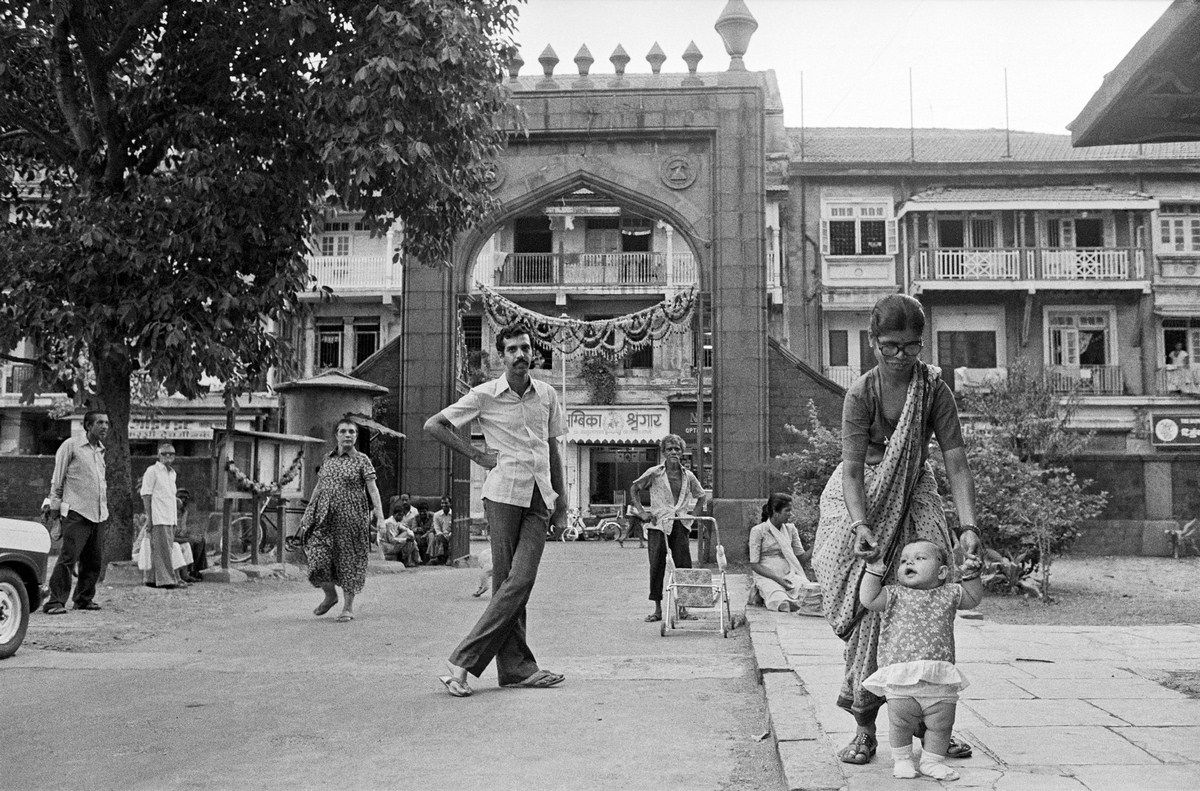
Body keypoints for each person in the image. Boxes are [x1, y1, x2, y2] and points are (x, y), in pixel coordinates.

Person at [812, 293, 983, 766]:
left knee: (930, 595)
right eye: (890, 345)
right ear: (873, 342)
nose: (901, 355)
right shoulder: (860, 394)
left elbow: (956, 462)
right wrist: (861, 526)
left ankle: (933, 726)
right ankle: (865, 728)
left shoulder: (933, 390)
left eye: (911, 346)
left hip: (914, 489)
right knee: (870, 613)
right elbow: (851, 472)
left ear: (921, 344)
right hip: (862, 497)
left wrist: (968, 526)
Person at [425, 322, 567, 697]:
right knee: (510, 584)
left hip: (540, 497)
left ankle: (477, 663)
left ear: (533, 352)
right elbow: (434, 425)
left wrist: (562, 503)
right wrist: (477, 455)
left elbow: (553, 449)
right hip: (503, 495)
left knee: (519, 581)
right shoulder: (484, 394)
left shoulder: (547, 394)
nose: (520, 355)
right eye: (512, 349)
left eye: (525, 348)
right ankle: (508, 668)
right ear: (501, 356)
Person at [859, 540, 984, 781]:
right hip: (902, 680)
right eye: (904, 560)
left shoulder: (949, 593)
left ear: (942, 572)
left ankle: (931, 762)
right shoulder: (893, 594)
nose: (910, 562)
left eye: (919, 558)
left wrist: (971, 573)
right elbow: (868, 598)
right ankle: (902, 760)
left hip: (940, 681)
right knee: (900, 724)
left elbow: (972, 598)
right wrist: (874, 567)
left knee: (942, 725)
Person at [299, 419, 386, 622]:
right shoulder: (328, 459)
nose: (347, 435)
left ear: (356, 436)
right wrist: (308, 511)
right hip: (324, 518)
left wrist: (380, 517)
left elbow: (373, 489)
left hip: (352, 520)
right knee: (317, 557)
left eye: (352, 432)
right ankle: (330, 595)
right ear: (336, 435)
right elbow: (319, 487)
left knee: (349, 560)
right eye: (343, 431)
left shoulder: (362, 460)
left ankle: (348, 607)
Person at [629, 433, 708, 623]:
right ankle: (657, 610)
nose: (673, 452)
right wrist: (642, 512)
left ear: (682, 452)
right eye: (669, 449)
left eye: (677, 449)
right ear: (664, 452)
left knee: (684, 566)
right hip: (658, 526)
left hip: (680, 525)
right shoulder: (655, 473)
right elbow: (634, 489)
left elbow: (701, 496)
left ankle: (683, 608)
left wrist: (693, 516)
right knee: (657, 566)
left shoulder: (688, 476)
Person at [41, 410, 110, 614]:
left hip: (99, 513)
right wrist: (55, 512)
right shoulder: (71, 446)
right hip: (76, 512)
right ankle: (55, 602)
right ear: (88, 425)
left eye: (106, 423)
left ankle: (83, 599)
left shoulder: (101, 450)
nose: (104, 426)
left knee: (93, 560)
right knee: (68, 558)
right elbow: (57, 480)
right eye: (100, 422)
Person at [748, 493, 819, 613]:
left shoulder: (790, 529)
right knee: (781, 601)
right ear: (775, 512)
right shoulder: (758, 531)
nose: (790, 514)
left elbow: (800, 559)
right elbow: (754, 565)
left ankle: (798, 602)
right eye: (787, 511)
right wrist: (778, 580)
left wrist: (817, 543)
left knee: (811, 594)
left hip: (789, 574)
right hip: (768, 576)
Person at [139, 441, 186, 589]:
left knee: (163, 549)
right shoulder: (152, 471)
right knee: (163, 550)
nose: (168, 456)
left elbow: (167, 494)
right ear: (159, 455)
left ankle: (153, 579)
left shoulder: (172, 474)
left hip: (170, 517)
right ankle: (167, 580)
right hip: (159, 516)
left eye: (171, 454)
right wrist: (150, 518)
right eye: (165, 454)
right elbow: (146, 495)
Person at [175, 488, 207, 583]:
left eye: (185, 498)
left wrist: (191, 534)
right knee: (191, 543)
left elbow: (183, 527)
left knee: (201, 540)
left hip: (180, 535)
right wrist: (188, 538)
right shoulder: (171, 511)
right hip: (173, 536)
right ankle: (188, 570)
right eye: (181, 498)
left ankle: (195, 570)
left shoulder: (184, 512)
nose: (183, 500)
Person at [379, 496, 420, 567]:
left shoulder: (396, 521)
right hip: (387, 546)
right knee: (408, 539)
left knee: (410, 537)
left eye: (402, 515)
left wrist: (411, 535)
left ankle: (414, 560)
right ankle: (411, 560)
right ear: (395, 515)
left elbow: (405, 529)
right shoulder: (390, 523)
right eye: (400, 515)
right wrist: (406, 539)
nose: (401, 517)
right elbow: (392, 540)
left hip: (391, 543)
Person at [429, 495, 454, 565]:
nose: (444, 505)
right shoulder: (436, 515)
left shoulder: (454, 514)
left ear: (450, 504)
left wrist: (449, 534)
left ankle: (449, 557)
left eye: (446, 503)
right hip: (441, 534)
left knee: (451, 537)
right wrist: (441, 534)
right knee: (439, 537)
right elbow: (437, 528)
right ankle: (439, 557)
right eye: (442, 503)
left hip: (451, 534)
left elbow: (454, 527)